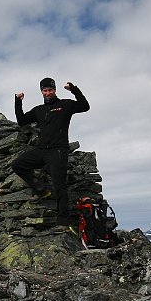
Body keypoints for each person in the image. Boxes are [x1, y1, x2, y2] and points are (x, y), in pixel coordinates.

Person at [12, 77, 90, 227]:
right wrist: (18, 101)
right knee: (18, 165)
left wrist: (74, 89)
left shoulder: (65, 105)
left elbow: (85, 106)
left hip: (58, 151)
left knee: (59, 185)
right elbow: (21, 120)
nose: (47, 93)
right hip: (42, 150)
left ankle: (63, 220)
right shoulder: (39, 110)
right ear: (41, 92)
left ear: (55, 90)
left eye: (50, 90)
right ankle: (40, 189)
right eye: (45, 90)